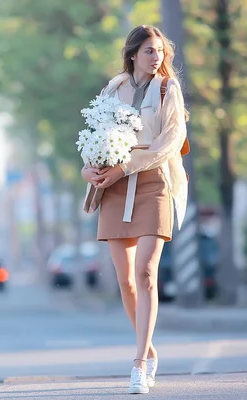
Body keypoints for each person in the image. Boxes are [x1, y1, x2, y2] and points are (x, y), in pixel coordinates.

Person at [81, 24, 189, 394]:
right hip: (114, 187)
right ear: (132, 54)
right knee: (125, 281)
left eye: (159, 50)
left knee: (145, 273)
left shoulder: (167, 89)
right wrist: (87, 166)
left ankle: (139, 364)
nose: (156, 56)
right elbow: (94, 135)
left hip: (153, 183)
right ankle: (151, 349)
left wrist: (125, 168)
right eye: (148, 51)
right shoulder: (114, 88)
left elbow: (170, 143)